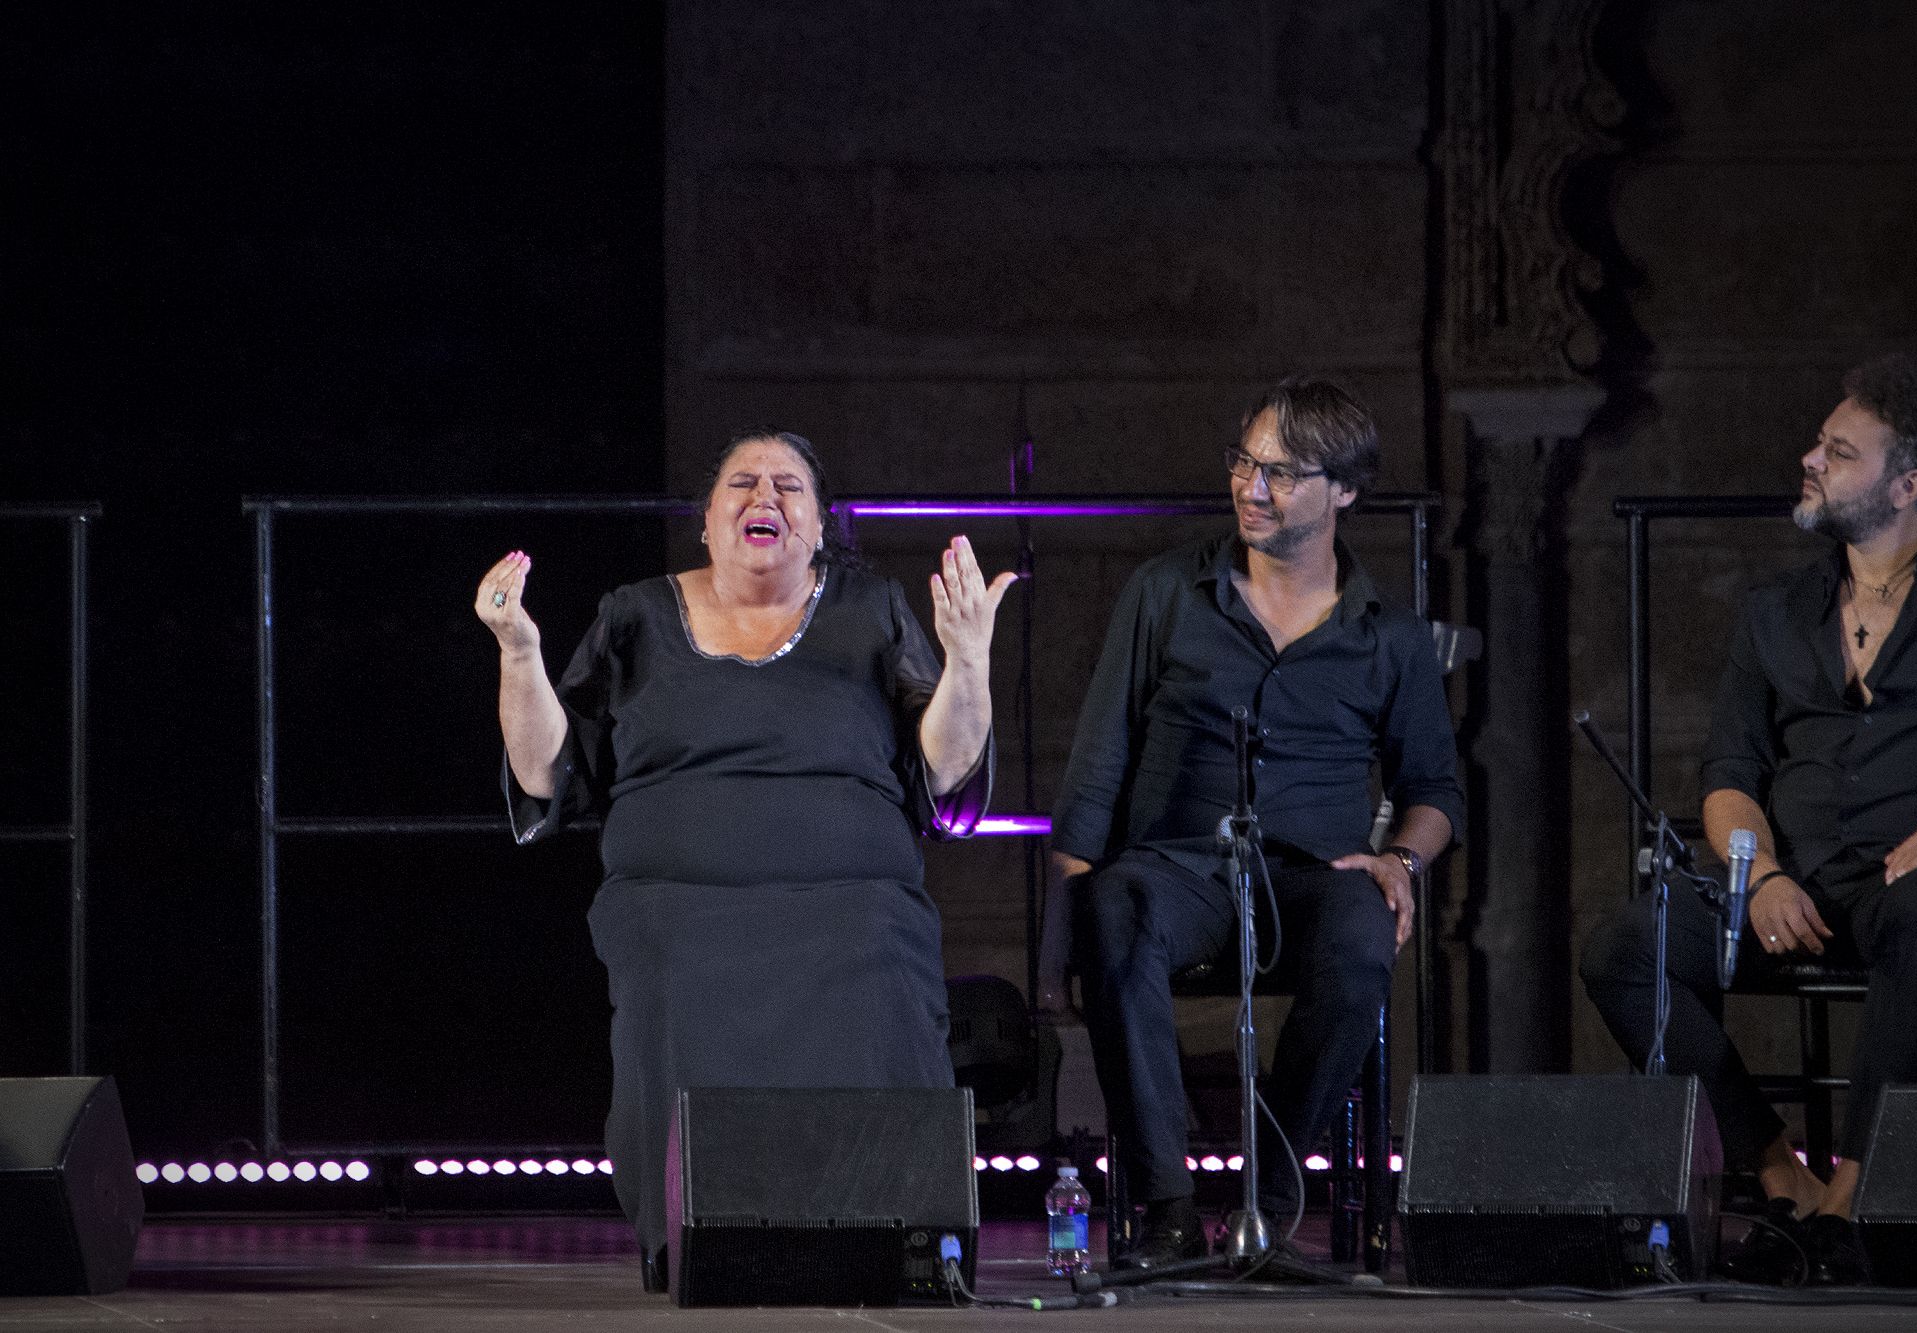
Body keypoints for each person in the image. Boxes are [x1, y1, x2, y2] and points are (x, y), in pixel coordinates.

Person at [473, 429, 1015, 1288]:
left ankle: (892, 1228)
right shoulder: (634, 616)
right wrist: (518, 653)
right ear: (706, 520)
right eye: (743, 483)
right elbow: (546, 771)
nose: (765, 497)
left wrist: (970, 662)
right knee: (673, 957)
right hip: (676, 899)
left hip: (852, 897)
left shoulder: (872, 611)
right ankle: (693, 1229)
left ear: (821, 524)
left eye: (788, 486)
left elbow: (944, 769)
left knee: (879, 941)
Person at [1582, 355, 1917, 1285]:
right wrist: (1760, 871)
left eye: (1839, 451)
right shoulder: (1776, 610)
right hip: (1793, 883)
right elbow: (1730, 774)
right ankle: (1782, 1174)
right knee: (1625, 945)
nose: (1811, 458)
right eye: (1820, 442)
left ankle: (1853, 1198)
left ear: (1908, 485)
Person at [1040, 376, 1463, 1268]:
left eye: (1282, 473)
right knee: (1115, 907)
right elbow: (1096, 768)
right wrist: (1059, 938)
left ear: (1344, 490)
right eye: (1244, 461)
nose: (1251, 487)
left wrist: (1400, 862)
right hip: (1180, 869)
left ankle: (1268, 1198)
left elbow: (1436, 790)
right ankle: (1167, 1205)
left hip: (1314, 874)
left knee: (1364, 935)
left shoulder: (1389, 636)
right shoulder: (1165, 591)